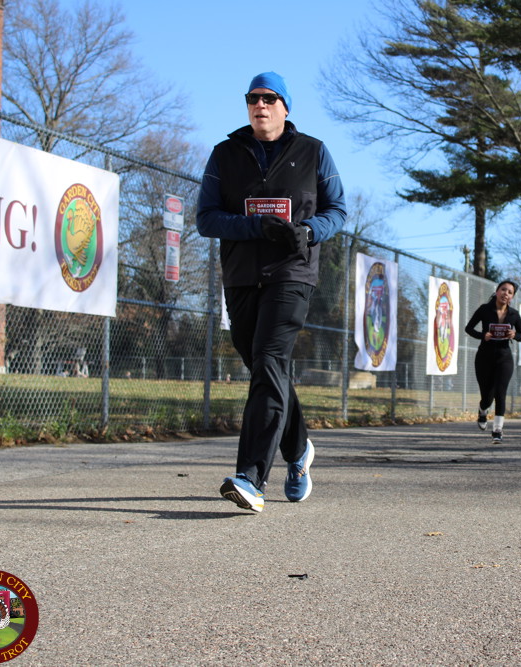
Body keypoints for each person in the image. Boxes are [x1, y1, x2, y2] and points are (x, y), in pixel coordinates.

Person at [197, 71, 347, 512]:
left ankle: (250, 477)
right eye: (252, 98)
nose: (259, 105)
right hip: (242, 276)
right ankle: (298, 450)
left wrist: (309, 231)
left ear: (285, 107)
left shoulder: (313, 151)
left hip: (292, 273)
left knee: (268, 359)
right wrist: (255, 226)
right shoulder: (224, 154)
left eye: (269, 98)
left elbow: (338, 210)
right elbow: (206, 218)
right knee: (267, 366)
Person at [466, 281, 521, 443]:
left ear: (512, 297)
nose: (506, 293)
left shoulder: (514, 314)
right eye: (503, 289)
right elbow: (468, 328)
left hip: (504, 357)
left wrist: (514, 335)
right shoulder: (484, 309)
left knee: (500, 392)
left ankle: (497, 429)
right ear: (497, 291)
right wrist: (482, 335)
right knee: (487, 396)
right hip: (484, 357)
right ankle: (482, 410)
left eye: (510, 292)